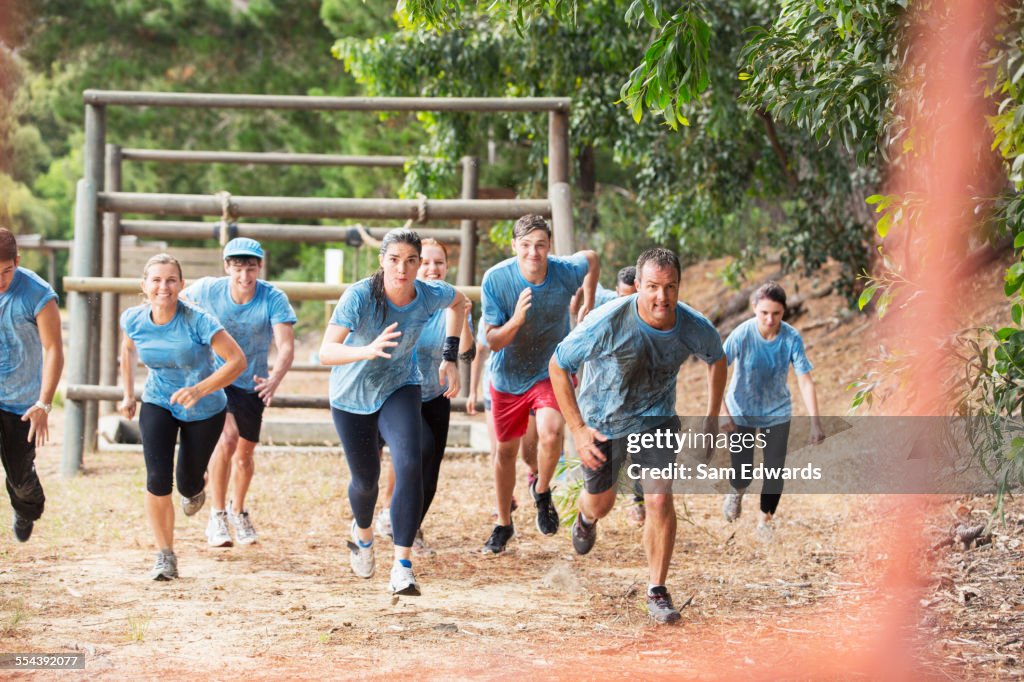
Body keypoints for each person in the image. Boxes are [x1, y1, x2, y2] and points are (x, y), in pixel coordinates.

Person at [550, 247, 727, 624]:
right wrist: (579, 430)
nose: (661, 297)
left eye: (669, 287)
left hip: (656, 419)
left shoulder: (693, 326)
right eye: (652, 287)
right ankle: (585, 517)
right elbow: (558, 365)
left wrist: (712, 418)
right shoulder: (608, 320)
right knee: (601, 503)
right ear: (638, 285)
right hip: (603, 420)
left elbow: (717, 358)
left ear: (679, 286)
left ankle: (657, 590)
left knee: (660, 499)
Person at [320, 229, 467, 596]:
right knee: (366, 481)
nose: (403, 269)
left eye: (411, 261)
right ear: (382, 261)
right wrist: (365, 350)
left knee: (409, 461)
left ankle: (402, 565)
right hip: (352, 394)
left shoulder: (430, 294)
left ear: (419, 263)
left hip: (400, 386)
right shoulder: (359, 297)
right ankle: (363, 533)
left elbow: (461, 303)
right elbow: (326, 352)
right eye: (395, 260)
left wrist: (450, 358)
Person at [119, 254, 246, 580]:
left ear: (181, 284)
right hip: (159, 401)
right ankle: (165, 555)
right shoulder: (133, 319)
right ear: (144, 286)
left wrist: (200, 390)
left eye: (171, 280)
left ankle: (195, 485)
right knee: (158, 479)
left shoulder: (198, 320)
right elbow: (129, 350)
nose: (164, 287)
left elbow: (236, 361)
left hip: (204, 409)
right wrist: (128, 393)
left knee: (188, 482)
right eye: (157, 280)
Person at [480, 214, 599, 553]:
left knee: (550, 431)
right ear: (514, 245)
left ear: (549, 247)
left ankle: (542, 491)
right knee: (506, 452)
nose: (534, 253)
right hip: (509, 375)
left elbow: (591, 258)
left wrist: (587, 299)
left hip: (550, 369)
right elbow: (494, 341)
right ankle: (503, 523)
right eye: (526, 245)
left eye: (541, 245)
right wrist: (517, 319)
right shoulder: (496, 280)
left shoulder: (564, 270)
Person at [182, 238, 297, 548]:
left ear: (260, 267)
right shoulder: (206, 290)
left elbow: (286, 345)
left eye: (250, 269)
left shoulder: (273, 297)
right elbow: (173, 305)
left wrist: (275, 378)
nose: (244, 277)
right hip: (216, 377)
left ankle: (238, 510)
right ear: (226, 268)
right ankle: (217, 515)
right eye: (237, 269)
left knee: (244, 455)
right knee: (227, 439)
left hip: (252, 380)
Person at [373, 238, 474, 553]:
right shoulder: (400, 296)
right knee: (420, 449)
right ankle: (391, 517)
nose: (432, 269)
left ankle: (411, 526)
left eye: (438, 263)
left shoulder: (451, 302)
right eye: (425, 262)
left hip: (435, 394)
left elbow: (467, 351)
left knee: (431, 469)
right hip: (397, 391)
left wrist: (465, 319)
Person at [720, 281, 825, 540]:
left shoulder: (791, 338)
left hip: (776, 410)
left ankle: (764, 522)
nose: (770, 319)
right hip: (741, 409)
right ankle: (737, 490)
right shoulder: (742, 334)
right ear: (754, 308)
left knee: (774, 470)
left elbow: (804, 379)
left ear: (784, 312)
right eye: (764, 312)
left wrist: (815, 422)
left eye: (776, 313)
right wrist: (722, 410)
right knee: (742, 469)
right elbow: (718, 370)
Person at [0, 228, 63, 543]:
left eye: (6, 271)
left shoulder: (37, 293)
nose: (0, 281)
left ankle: (26, 508)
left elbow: (53, 350)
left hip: (20, 403)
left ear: (17, 262)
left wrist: (43, 404)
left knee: (21, 482)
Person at [468, 316, 538, 521]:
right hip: (495, 387)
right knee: (498, 448)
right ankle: (504, 502)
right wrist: (472, 391)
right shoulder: (490, 314)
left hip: (527, 385)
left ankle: (534, 472)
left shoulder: (531, 310)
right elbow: (480, 351)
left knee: (528, 451)